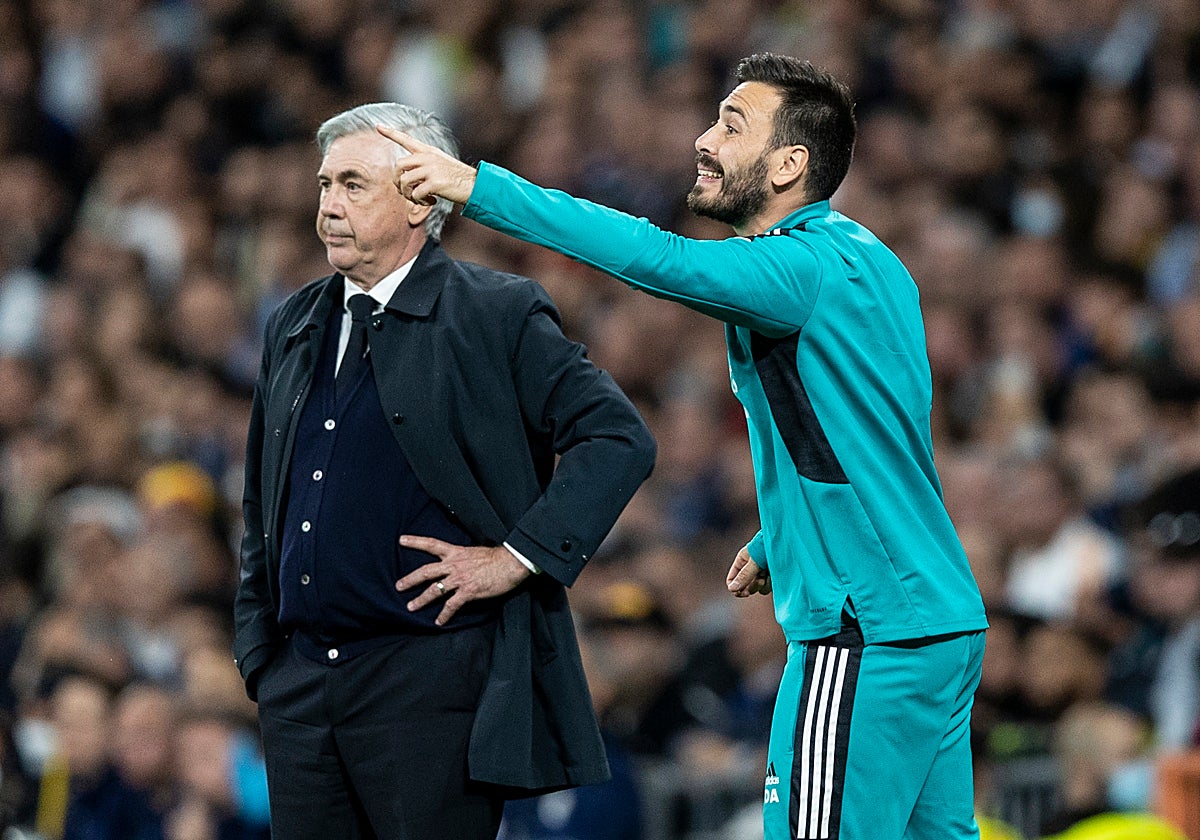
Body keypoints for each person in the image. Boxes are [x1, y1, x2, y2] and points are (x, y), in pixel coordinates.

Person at [382, 53, 989, 840]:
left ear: (789, 164)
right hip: (938, 622)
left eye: (732, 126)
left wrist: (478, 188)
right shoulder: (871, 258)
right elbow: (884, 440)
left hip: (864, 628)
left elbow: (655, 259)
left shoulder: (795, 266)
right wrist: (783, 535)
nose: (704, 140)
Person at [232, 102, 655, 840]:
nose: (329, 205)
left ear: (421, 200)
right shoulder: (293, 320)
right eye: (326, 184)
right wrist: (261, 658)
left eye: (354, 186)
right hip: (299, 690)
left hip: (429, 682)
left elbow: (618, 436)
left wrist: (517, 558)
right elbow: (263, 497)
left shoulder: (497, 312)